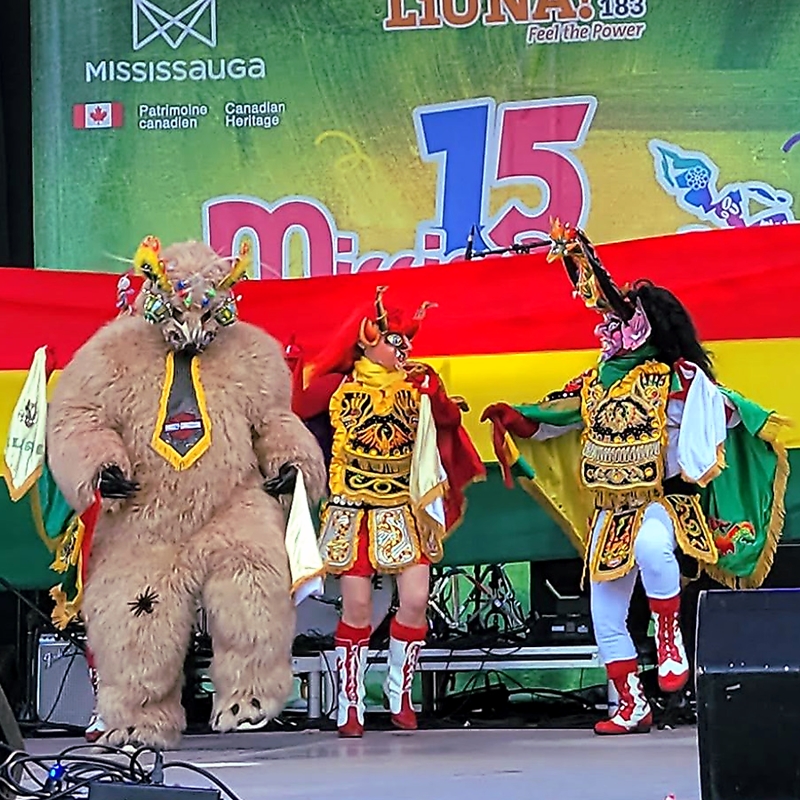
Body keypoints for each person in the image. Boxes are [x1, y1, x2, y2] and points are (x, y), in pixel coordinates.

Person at [481, 220, 789, 735]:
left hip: (663, 504)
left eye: (622, 321)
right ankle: (631, 704)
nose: (610, 330)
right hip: (610, 511)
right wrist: (515, 417)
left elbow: (727, 410)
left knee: (651, 548)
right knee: (604, 615)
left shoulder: (676, 380)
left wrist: (732, 411)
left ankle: (669, 635)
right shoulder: (594, 383)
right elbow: (559, 414)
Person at [294, 286, 485, 737]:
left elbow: (450, 424)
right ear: (365, 340)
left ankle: (399, 693)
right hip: (353, 507)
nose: (401, 350)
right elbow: (297, 408)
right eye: (392, 341)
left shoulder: (417, 384)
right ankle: (351, 704)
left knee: (416, 599)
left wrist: (434, 392)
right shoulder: (339, 387)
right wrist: (293, 365)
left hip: (403, 504)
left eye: (404, 343)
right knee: (358, 608)